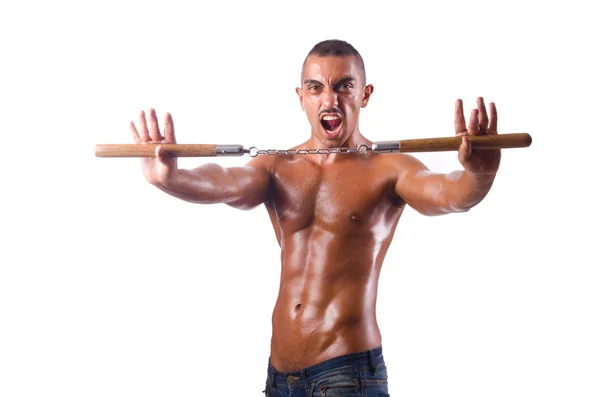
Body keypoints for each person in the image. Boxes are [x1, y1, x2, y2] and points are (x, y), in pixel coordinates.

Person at [129, 39, 501, 397]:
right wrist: (172, 178)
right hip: (279, 377)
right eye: (316, 87)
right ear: (301, 97)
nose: (330, 99)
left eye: (344, 86)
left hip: (347, 375)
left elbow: (449, 195)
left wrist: (478, 175)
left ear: (365, 94)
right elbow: (226, 182)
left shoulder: (389, 168)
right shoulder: (277, 166)